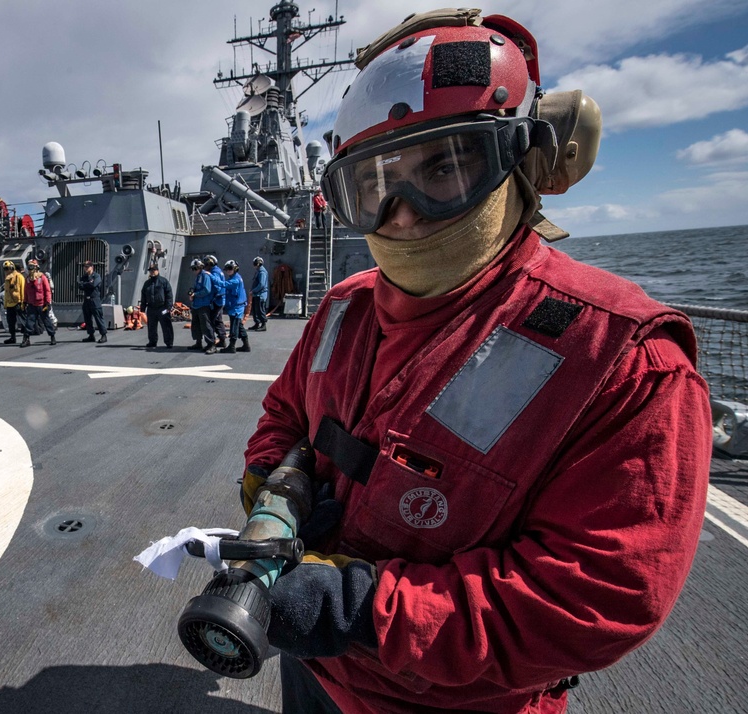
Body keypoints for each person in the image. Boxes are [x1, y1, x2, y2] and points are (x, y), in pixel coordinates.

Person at [240, 10, 711, 714]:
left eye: (445, 168)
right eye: (373, 186)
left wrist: (361, 609)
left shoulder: (622, 360)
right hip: (315, 665)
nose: (402, 216)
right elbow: (284, 412)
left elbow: (599, 594)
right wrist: (274, 486)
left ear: (522, 159)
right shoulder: (343, 306)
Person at [21, 259, 56, 347]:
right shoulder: (28, 279)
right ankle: (26, 339)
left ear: (36, 267)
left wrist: (47, 303)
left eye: (32, 266)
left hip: (42, 304)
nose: (30, 268)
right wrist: (24, 302)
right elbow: (25, 292)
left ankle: (52, 337)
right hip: (32, 304)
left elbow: (47, 291)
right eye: (29, 267)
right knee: (29, 322)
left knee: (47, 321)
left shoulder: (42, 277)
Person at [140, 263, 174, 349]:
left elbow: (169, 294)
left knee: (166, 326)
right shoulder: (147, 283)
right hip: (151, 308)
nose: (152, 272)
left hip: (162, 307)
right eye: (150, 271)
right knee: (151, 326)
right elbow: (143, 295)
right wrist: (142, 308)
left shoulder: (163, 281)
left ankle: (169, 342)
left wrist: (169, 307)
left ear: (157, 271)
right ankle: (152, 341)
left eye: (153, 270)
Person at [187, 258, 216, 354]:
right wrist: (192, 293)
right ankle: (198, 342)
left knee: (206, 325)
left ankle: (211, 344)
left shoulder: (205, 276)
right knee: (196, 325)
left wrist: (195, 295)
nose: (193, 271)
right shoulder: (198, 276)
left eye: (194, 268)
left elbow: (207, 290)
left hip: (204, 304)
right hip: (196, 305)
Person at [220, 260, 250, 353]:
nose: (228, 271)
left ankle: (232, 346)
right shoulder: (235, 278)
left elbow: (224, 284)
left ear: (235, 269)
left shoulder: (235, 280)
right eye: (227, 269)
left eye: (230, 268)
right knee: (239, 326)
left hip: (236, 307)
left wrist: (211, 277)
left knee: (234, 326)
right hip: (236, 306)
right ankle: (246, 345)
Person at [78, 260, 107, 343]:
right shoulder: (84, 277)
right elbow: (80, 286)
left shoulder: (96, 276)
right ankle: (91, 335)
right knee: (87, 319)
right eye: (85, 267)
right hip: (86, 300)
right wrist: (88, 284)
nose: (86, 268)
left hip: (95, 300)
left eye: (87, 266)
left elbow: (94, 284)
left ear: (92, 267)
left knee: (98, 318)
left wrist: (86, 284)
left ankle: (103, 335)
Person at [203, 255, 227, 349]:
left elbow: (217, 287)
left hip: (217, 301)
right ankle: (222, 340)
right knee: (218, 321)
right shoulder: (218, 271)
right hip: (220, 300)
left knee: (211, 322)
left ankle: (212, 343)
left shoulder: (214, 272)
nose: (205, 266)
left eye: (206, 264)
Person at [1, 260, 26, 345]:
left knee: (23, 321)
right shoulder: (7, 278)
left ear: (12, 268)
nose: (6, 270)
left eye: (7, 268)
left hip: (18, 302)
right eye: (5, 269)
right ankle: (12, 337)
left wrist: (23, 302)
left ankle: (26, 338)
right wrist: (5, 304)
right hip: (9, 304)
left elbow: (22, 290)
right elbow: (7, 292)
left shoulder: (19, 277)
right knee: (10, 322)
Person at [249, 257, 269, 331]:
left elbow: (261, 284)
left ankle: (263, 325)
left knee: (260, 310)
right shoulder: (258, 271)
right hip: (256, 295)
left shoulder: (262, 272)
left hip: (260, 295)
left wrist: (253, 291)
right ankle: (257, 323)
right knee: (255, 310)